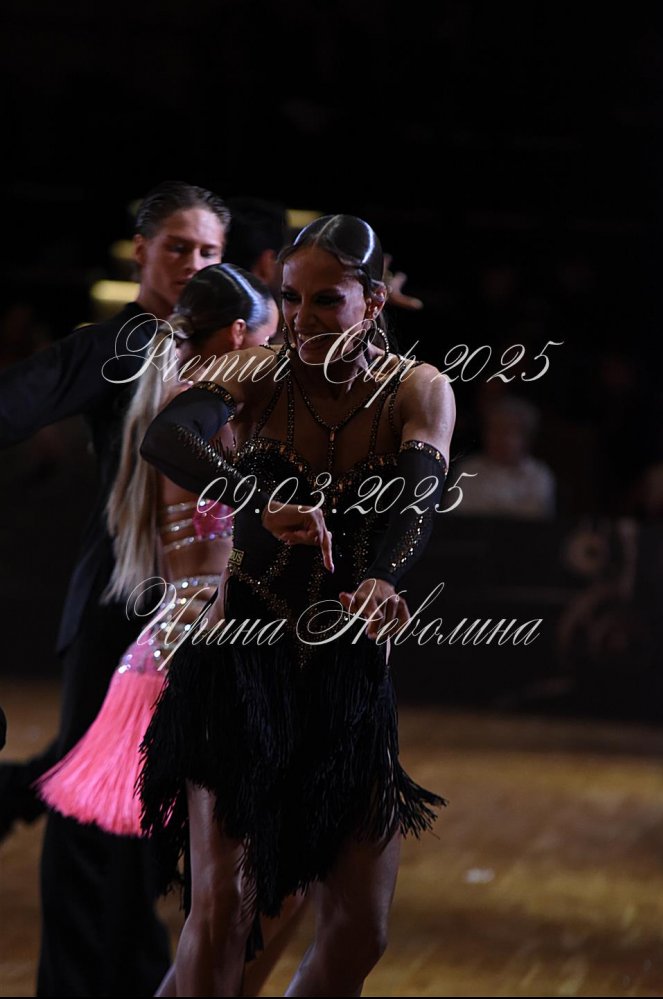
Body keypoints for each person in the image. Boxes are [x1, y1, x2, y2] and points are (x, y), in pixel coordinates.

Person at [138, 214, 457, 996]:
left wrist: (383, 576)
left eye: (326, 300)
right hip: (240, 668)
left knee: (360, 928)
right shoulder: (258, 370)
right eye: (291, 297)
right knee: (222, 909)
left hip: (345, 678)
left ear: (372, 302)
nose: (303, 318)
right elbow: (168, 437)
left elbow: (419, 495)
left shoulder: (418, 387)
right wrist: (254, 497)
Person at [0, 180, 229, 997]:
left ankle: (137, 976)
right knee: (89, 821)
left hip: (197, 615)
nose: (194, 263)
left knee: (154, 818)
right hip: (118, 607)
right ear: (141, 252)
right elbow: (19, 399)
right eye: (178, 247)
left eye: (209, 251)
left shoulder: (233, 348)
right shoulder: (121, 343)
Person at [454, 395, 556, 518]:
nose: (500, 438)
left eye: (508, 431)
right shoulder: (468, 470)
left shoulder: (538, 475)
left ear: (525, 437)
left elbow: (535, 517)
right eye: (494, 430)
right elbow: (457, 516)